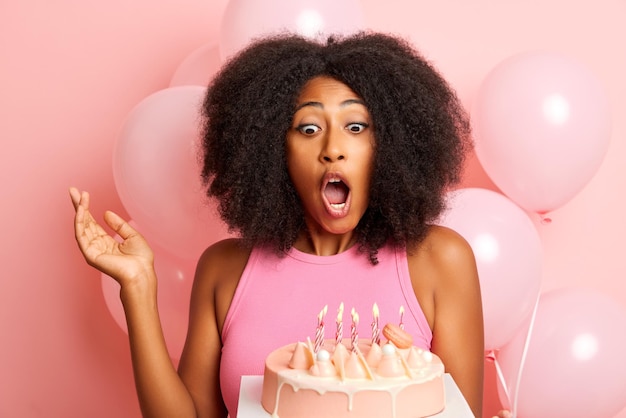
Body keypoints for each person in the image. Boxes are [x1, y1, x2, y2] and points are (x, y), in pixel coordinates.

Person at [70, 32, 506, 418]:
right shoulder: (225, 268)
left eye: (356, 126)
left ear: (389, 145)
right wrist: (138, 289)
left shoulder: (440, 260)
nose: (334, 149)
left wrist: (409, 385)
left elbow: (457, 411)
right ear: (271, 151)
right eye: (309, 128)